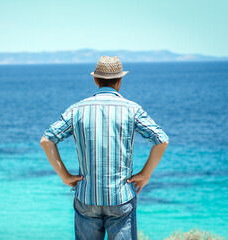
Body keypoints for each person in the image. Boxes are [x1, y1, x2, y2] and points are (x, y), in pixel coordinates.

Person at [40, 56, 169, 240]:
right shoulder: (132, 109)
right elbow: (161, 140)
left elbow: (46, 140)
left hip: (86, 196)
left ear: (95, 80)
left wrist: (65, 176)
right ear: (120, 80)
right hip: (121, 197)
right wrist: (145, 174)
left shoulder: (77, 109)